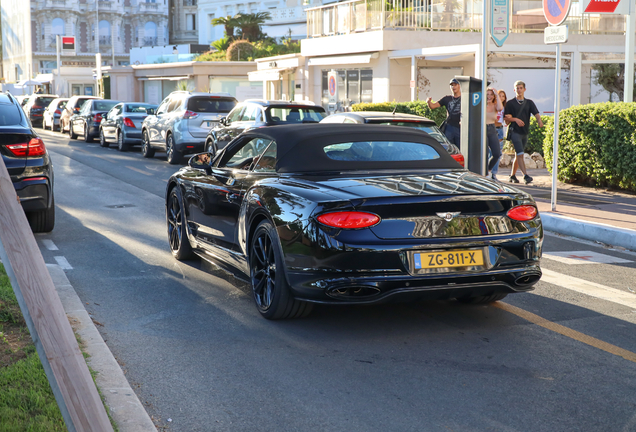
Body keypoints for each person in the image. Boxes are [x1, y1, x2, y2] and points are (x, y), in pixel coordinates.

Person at [504, 81, 543, 184]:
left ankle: (512, 176)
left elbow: (536, 113)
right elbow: (506, 119)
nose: (519, 90)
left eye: (521, 88)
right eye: (517, 88)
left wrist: (539, 121)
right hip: (515, 132)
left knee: (518, 155)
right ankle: (525, 176)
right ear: (514, 90)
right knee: (521, 154)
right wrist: (515, 119)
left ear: (524, 89)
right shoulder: (510, 103)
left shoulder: (529, 102)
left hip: (524, 133)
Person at [427, 78, 461, 148]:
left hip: (460, 127)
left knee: (461, 148)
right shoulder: (447, 98)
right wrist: (429, 102)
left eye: (455, 85)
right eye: (452, 85)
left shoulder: (465, 98)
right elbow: (433, 106)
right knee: (449, 148)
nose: (453, 87)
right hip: (450, 127)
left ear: (459, 86)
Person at [485, 87, 503, 181]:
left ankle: (488, 170)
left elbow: (500, 108)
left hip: (492, 128)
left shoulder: (495, 105)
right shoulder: (481, 105)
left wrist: (496, 94)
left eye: (491, 94)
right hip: (482, 129)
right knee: (485, 153)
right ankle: (484, 173)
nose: (489, 96)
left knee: (497, 153)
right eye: (487, 94)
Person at [491, 90, 507, 179]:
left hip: (500, 129)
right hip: (492, 129)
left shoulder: (504, 107)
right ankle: (488, 172)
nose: (501, 98)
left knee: (498, 153)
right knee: (491, 152)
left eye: (503, 96)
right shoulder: (493, 106)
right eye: (499, 95)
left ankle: (494, 173)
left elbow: (505, 119)